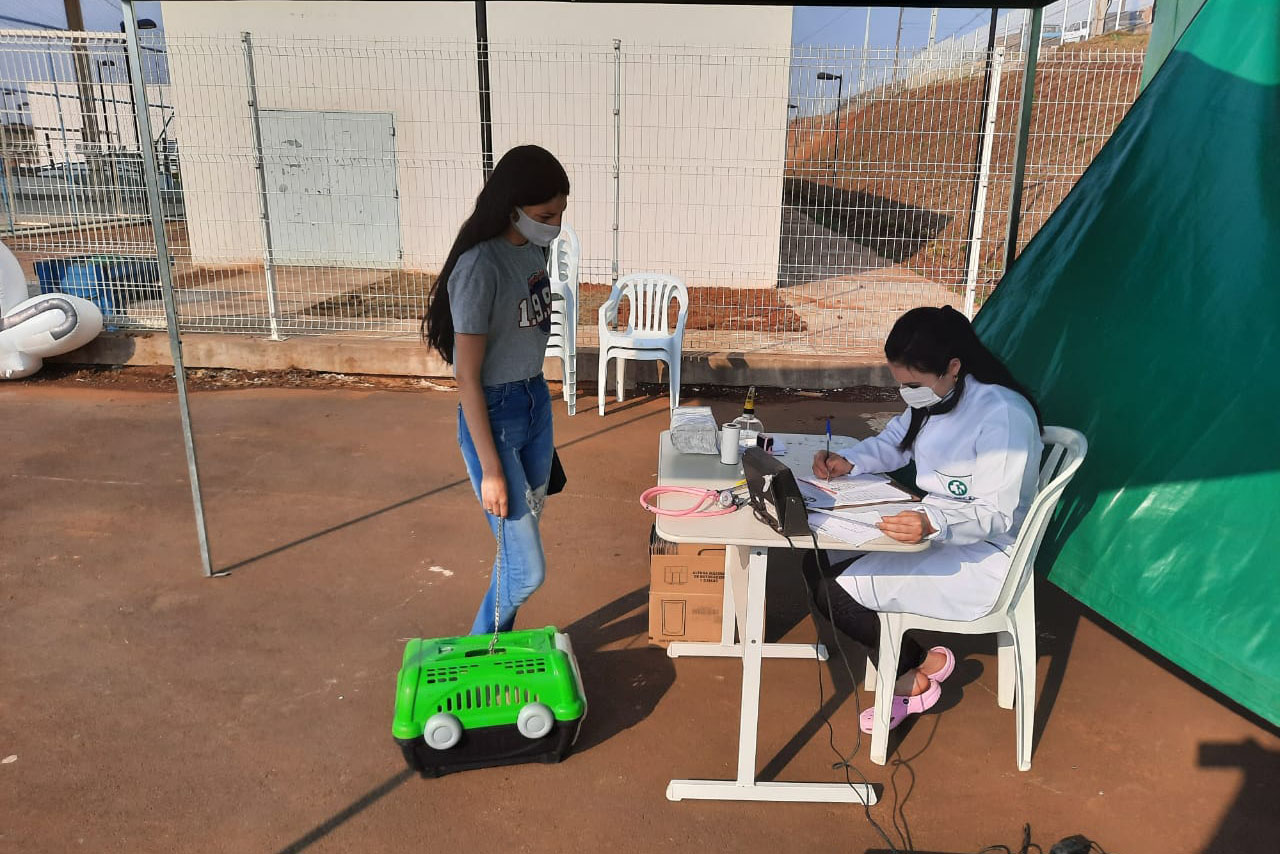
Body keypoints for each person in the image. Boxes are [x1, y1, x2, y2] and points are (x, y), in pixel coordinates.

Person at [806, 305, 1044, 732]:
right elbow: (896, 442)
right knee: (816, 558)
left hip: (983, 553)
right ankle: (923, 662)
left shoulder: (1002, 415)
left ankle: (910, 678)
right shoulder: (937, 395)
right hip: (929, 526)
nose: (907, 394)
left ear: (954, 366)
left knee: (834, 593)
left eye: (913, 384)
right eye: (902, 384)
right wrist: (848, 462)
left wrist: (936, 526)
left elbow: (997, 514)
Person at [423, 145, 569, 635]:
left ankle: (495, 650)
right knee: (527, 569)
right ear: (513, 207)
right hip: (496, 416)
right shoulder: (479, 267)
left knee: (516, 554)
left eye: (561, 213)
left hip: (534, 403)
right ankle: (476, 651)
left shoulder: (533, 249)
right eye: (546, 215)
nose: (556, 225)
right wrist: (489, 469)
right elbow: (466, 375)